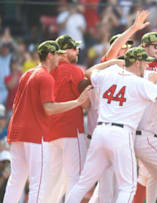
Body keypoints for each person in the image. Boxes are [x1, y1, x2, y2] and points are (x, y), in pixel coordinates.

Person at [65, 47, 157, 203]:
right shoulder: (139, 83)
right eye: (145, 62)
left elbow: (89, 72)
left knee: (83, 184)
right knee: (127, 186)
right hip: (121, 134)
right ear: (137, 62)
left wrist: (114, 62)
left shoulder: (108, 75)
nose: (147, 66)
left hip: (100, 131)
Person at [3, 40, 91, 203]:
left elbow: (15, 104)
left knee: (16, 180)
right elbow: (49, 108)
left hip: (16, 132)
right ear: (50, 55)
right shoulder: (45, 76)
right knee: (39, 182)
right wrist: (78, 102)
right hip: (35, 135)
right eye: (57, 54)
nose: (60, 58)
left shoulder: (27, 73)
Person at [44, 35, 88, 202]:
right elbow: (86, 104)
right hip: (70, 130)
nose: (77, 51)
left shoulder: (47, 70)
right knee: (74, 179)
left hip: (50, 133)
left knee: (52, 180)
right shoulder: (74, 70)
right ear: (63, 51)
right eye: (74, 48)